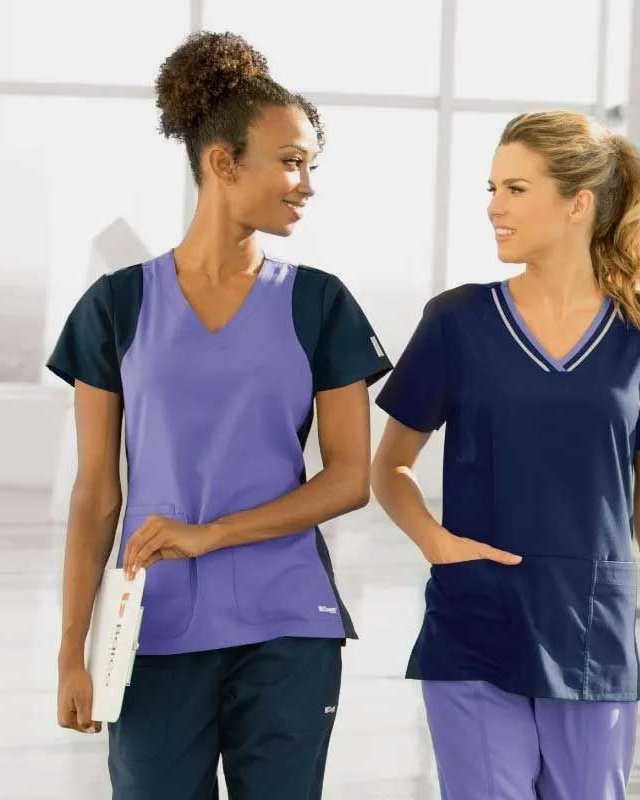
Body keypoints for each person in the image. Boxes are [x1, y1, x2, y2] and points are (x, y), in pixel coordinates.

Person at [48, 32, 391, 799]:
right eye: (291, 161)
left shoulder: (320, 304)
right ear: (223, 163)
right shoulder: (117, 306)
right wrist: (73, 647)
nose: (305, 183)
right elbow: (96, 494)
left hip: (288, 625)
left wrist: (210, 535)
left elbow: (346, 482)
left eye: (311, 165)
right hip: (152, 630)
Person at [371, 111, 640, 799]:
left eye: (515, 189)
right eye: (492, 188)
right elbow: (390, 466)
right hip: (474, 623)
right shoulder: (456, 322)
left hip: (592, 630)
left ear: (577, 204)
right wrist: (434, 542)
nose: (494, 207)